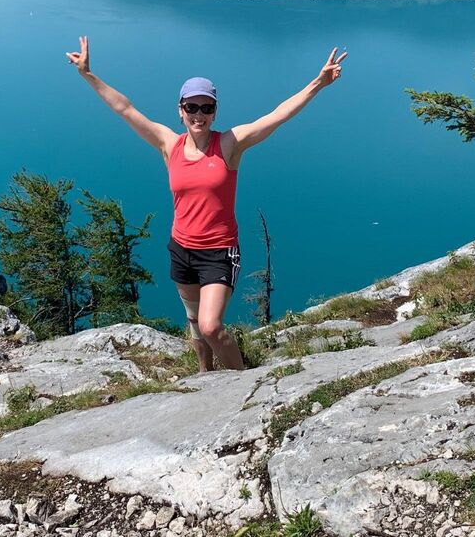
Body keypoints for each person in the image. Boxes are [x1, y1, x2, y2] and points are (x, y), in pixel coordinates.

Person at [65, 36, 347, 371]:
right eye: (192, 107)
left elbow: (278, 115)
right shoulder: (169, 145)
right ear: (180, 110)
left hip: (219, 252)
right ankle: (204, 375)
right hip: (182, 248)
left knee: (211, 326)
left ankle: (244, 382)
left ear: (214, 112)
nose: (199, 114)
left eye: (206, 108)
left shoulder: (229, 144)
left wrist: (318, 83)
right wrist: (88, 74)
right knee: (195, 324)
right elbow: (125, 108)